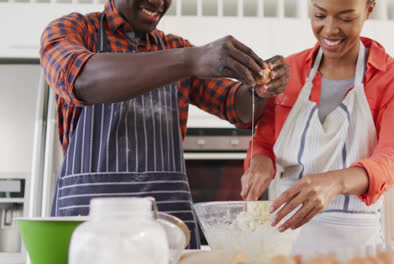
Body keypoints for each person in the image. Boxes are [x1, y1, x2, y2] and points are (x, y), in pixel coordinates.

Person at [39, 0, 290, 249]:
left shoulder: (174, 48)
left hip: (167, 232)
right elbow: (81, 78)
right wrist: (190, 60)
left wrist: (261, 90)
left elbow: (237, 107)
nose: (159, 2)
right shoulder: (73, 30)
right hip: (91, 232)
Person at [240, 0, 394, 253]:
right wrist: (259, 161)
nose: (330, 29)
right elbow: (265, 140)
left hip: (355, 245)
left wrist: (335, 182)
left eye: (345, 18)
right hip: (284, 242)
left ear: (369, 9)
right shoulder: (288, 70)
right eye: (320, 15)